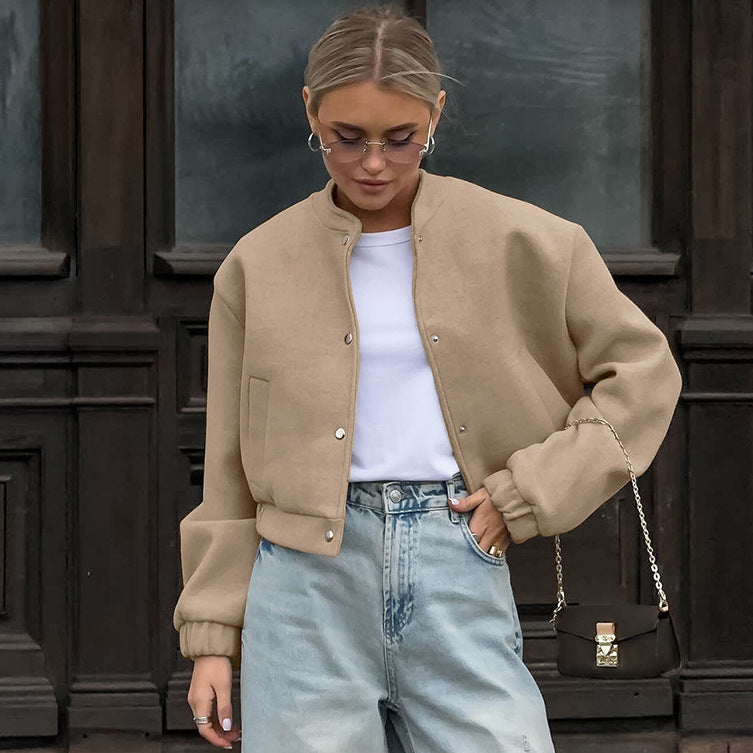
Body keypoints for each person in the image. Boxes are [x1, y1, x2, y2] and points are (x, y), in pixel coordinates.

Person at [172, 6, 683, 752]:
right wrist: (212, 633)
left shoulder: (528, 241)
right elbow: (227, 471)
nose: (372, 162)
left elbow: (641, 374)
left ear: (435, 114)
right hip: (302, 586)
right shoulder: (258, 263)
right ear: (309, 110)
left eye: (400, 138)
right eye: (345, 137)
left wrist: (527, 493)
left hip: (455, 556)